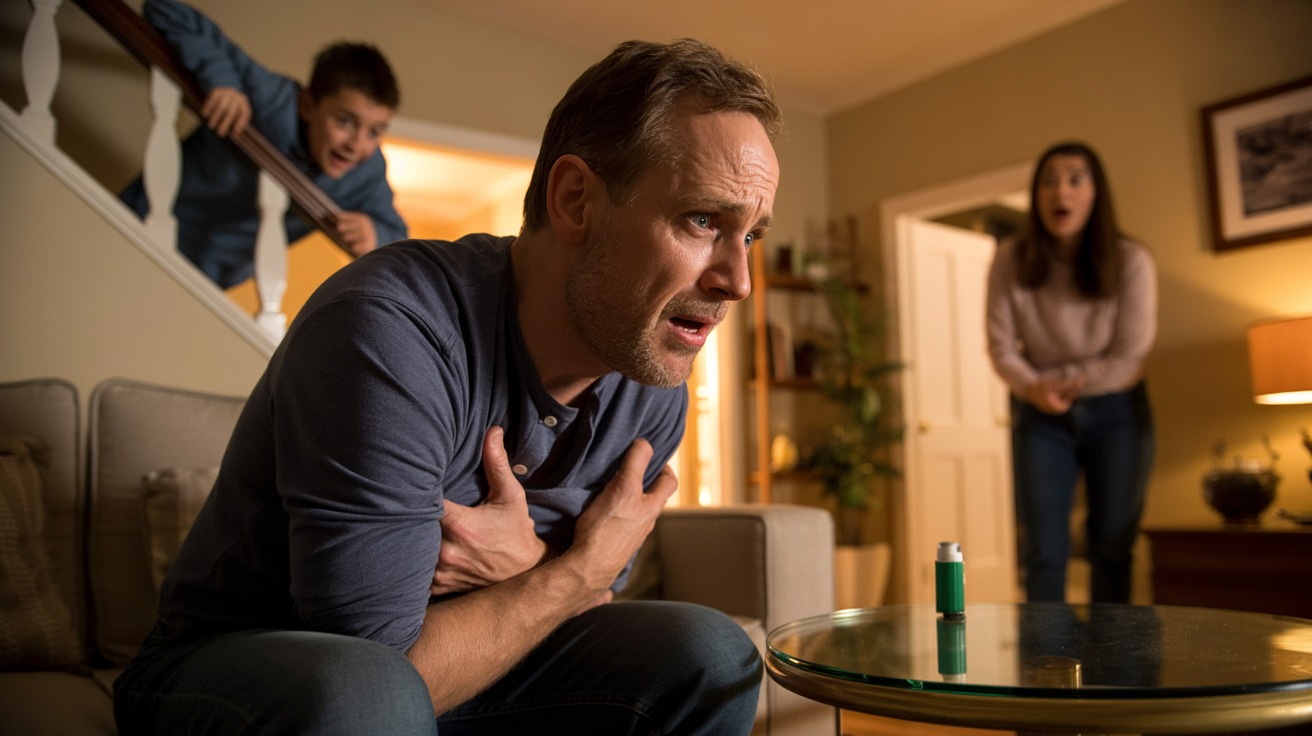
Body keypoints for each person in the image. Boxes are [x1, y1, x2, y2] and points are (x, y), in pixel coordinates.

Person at [113, 37, 782, 735]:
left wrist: (533, 566)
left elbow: (588, 607)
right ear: (576, 200)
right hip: (253, 671)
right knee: (370, 695)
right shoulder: (388, 328)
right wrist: (571, 571)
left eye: (751, 236)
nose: (738, 282)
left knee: (712, 656)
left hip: (463, 666)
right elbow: (382, 659)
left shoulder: (653, 377)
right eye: (703, 220)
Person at [120, 0, 408, 289]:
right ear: (307, 105)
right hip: (143, 217)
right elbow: (164, 9)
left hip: (211, 276)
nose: (356, 145)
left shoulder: (367, 172)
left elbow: (399, 239)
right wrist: (222, 80)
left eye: (374, 132)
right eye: (345, 121)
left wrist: (376, 234)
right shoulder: (270, 98)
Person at [986, 141, 1157, 604]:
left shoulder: (1131, 260)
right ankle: (1047, 652)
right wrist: (1033, 388)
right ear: (1037, 195)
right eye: (1049, 181)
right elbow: (1001, 348)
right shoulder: (1010, 259)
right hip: (1040, 414)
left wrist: (1063, 382)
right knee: (1043, 553)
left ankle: (1111, 655)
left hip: (1118, 412)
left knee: (1112, 549)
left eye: (1075, 179)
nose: (1061, 191)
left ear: (1095, 193)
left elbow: (1130, 353)